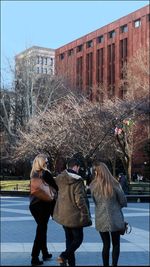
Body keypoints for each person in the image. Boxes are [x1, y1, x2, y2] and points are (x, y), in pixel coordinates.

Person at [53, 158, 92, 266]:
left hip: (63, 214)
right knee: (78, 239)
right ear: (76, 166)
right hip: (75, 216)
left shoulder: (59, 178)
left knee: (69, 239)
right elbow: (80, 200)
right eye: (79, 168)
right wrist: (85, 215)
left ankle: (71, 263)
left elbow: (56, 194)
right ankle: (63, 256)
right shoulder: (77, 180)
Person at [90, 162, 127, 267]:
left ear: (97, 172)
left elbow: (95, 202)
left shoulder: (93, 185)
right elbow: (123, 201)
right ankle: (114, 264)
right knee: (116, 244)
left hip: (101, 218)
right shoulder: (115, 184)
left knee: (106, 245)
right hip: (115, 218)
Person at [29, 154, 58, 266]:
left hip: (34, 206)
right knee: (40, 231)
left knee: (42, 228)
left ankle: (44, 253)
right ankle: (34, 257)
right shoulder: (46, 173)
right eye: (46, 161)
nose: (47, 163)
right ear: (42, 163)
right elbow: (56, 188)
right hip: (43, 206)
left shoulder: (33, 174)